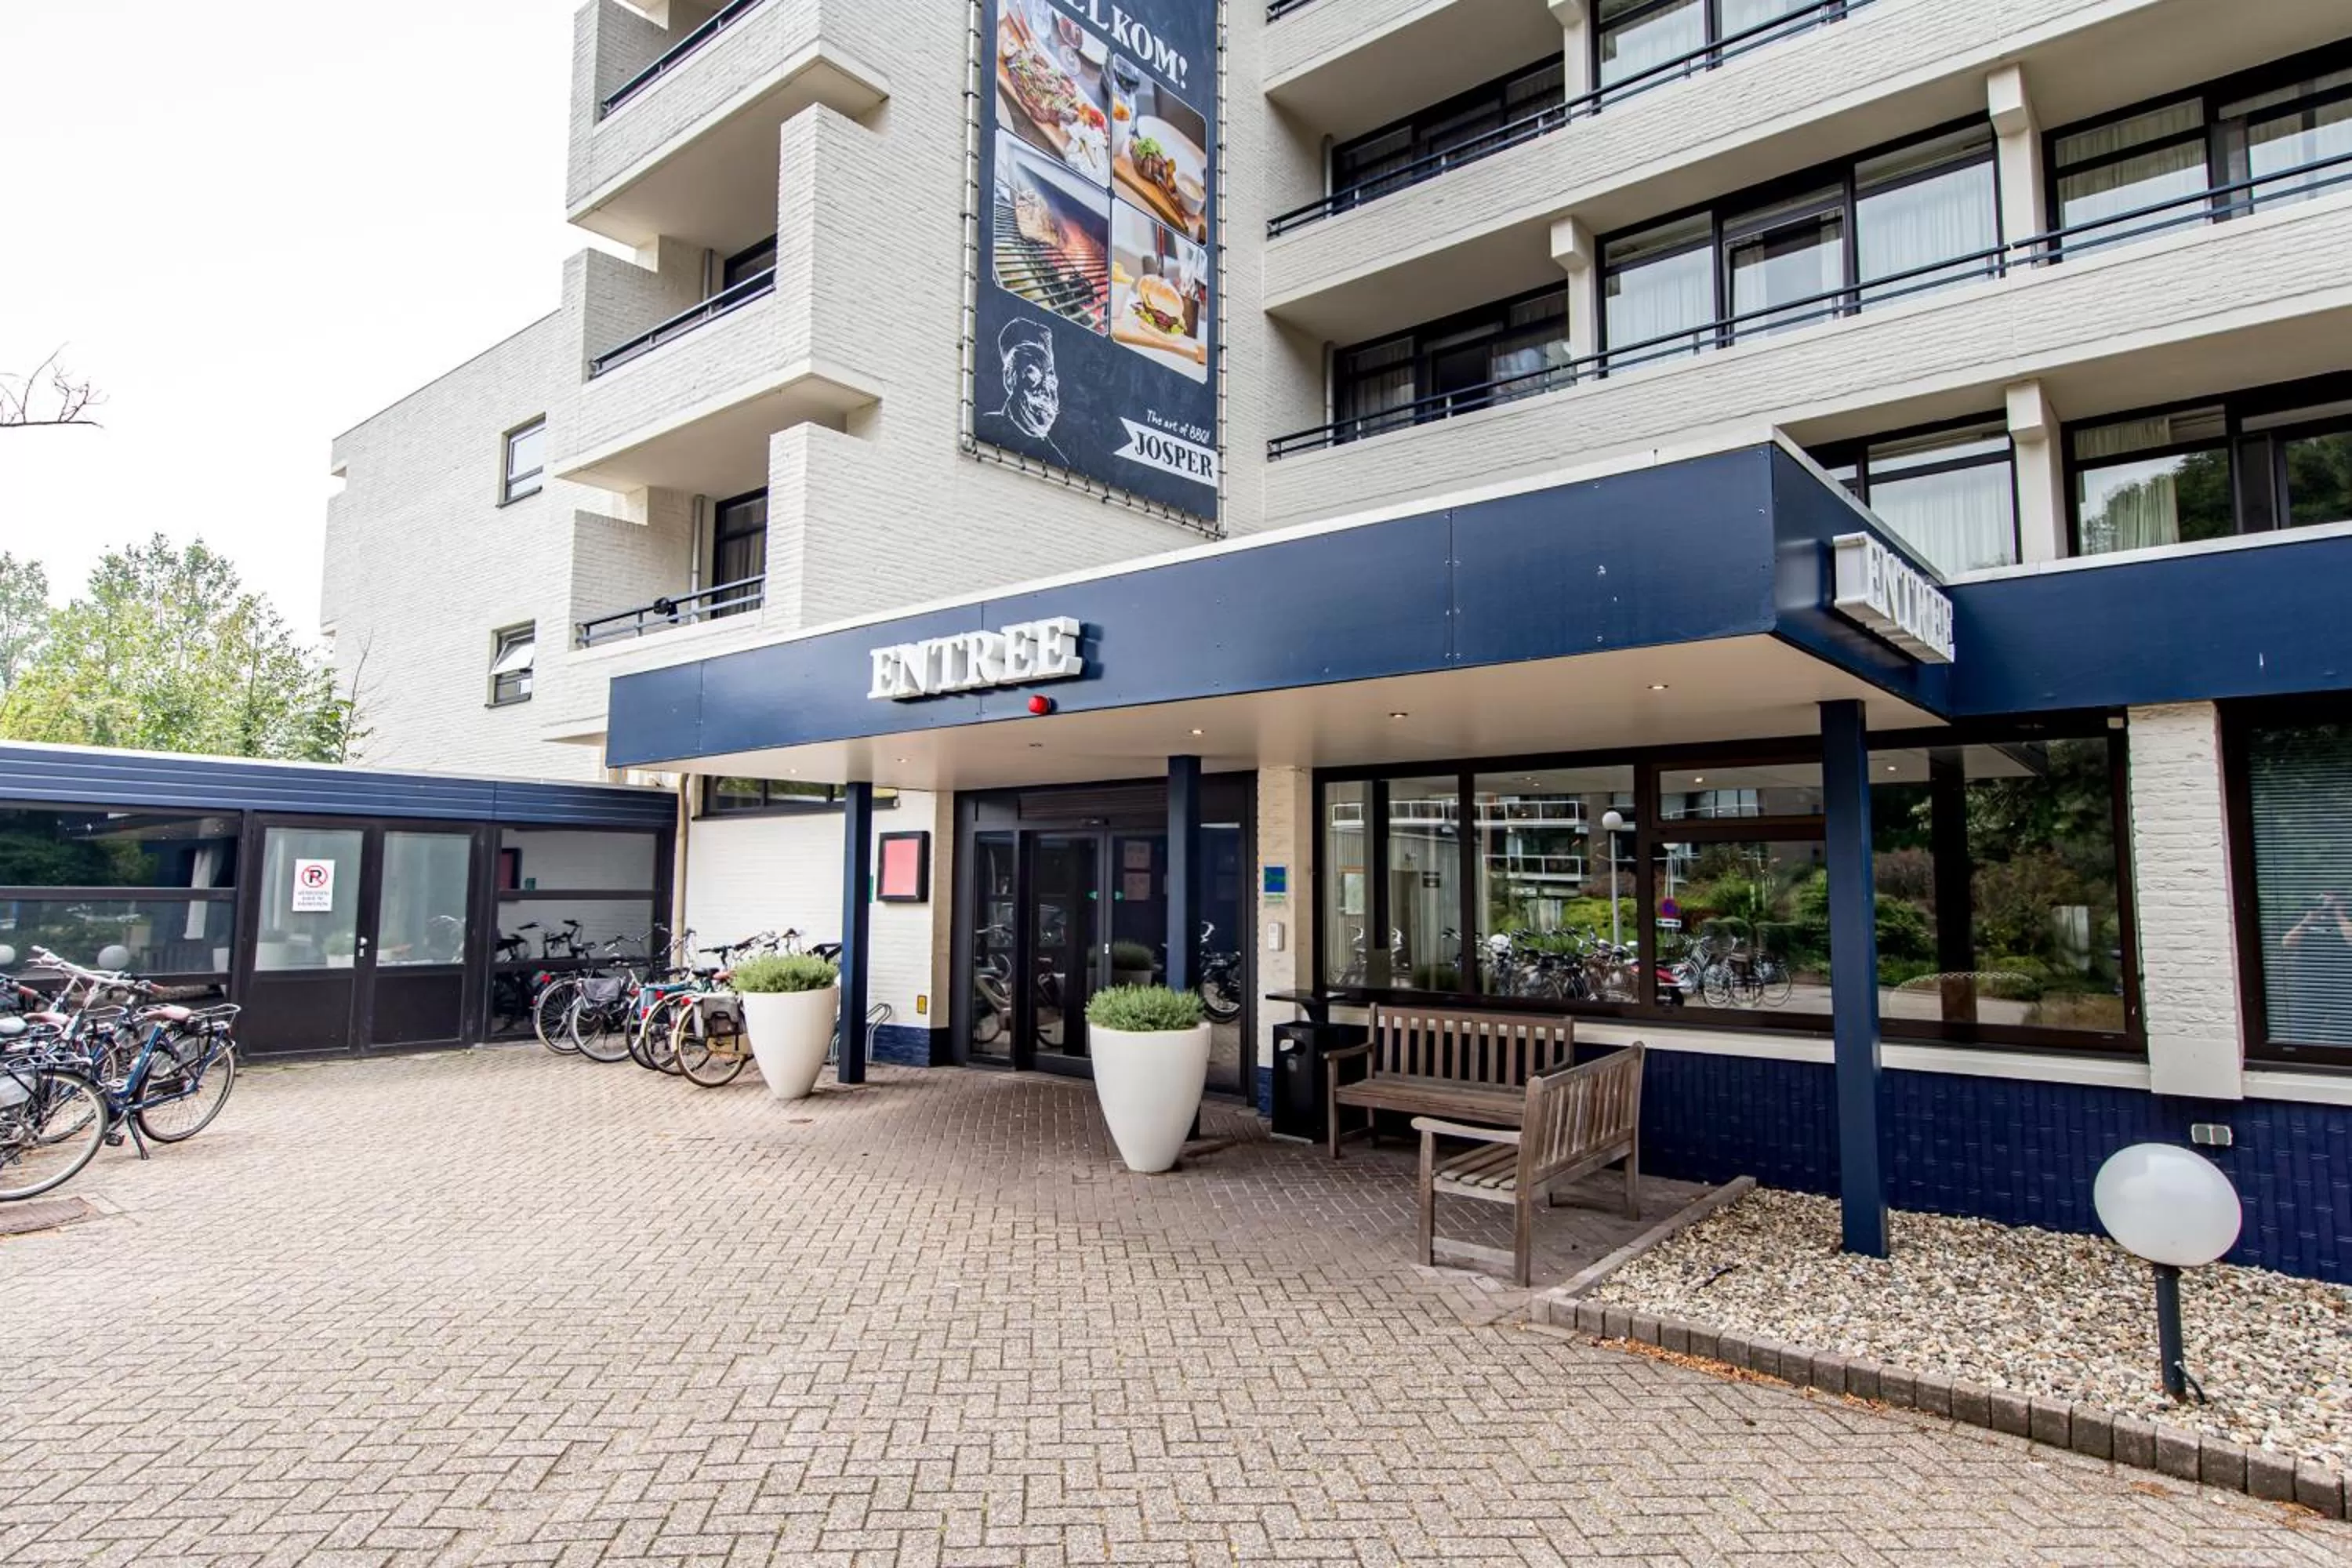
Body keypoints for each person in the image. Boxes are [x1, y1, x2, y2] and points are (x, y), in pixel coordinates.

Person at [976, 318, 1072, 470]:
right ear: (1010, 378)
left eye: (1050, 374)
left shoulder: (1058, 460)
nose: (1045, 387)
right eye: (1034, 371)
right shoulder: (986, 428)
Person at [2278, 890, 2352, 1041]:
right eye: (2323, 896)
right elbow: (2287, 944)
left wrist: (2339, 915)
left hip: (2343, 986)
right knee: (2302, 1032)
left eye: (2332, 897)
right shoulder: (2307, 914)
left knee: (2344, 1034)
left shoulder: (2346, 918)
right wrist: (2307, 922)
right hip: (2310, 985)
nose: (2326, 901)